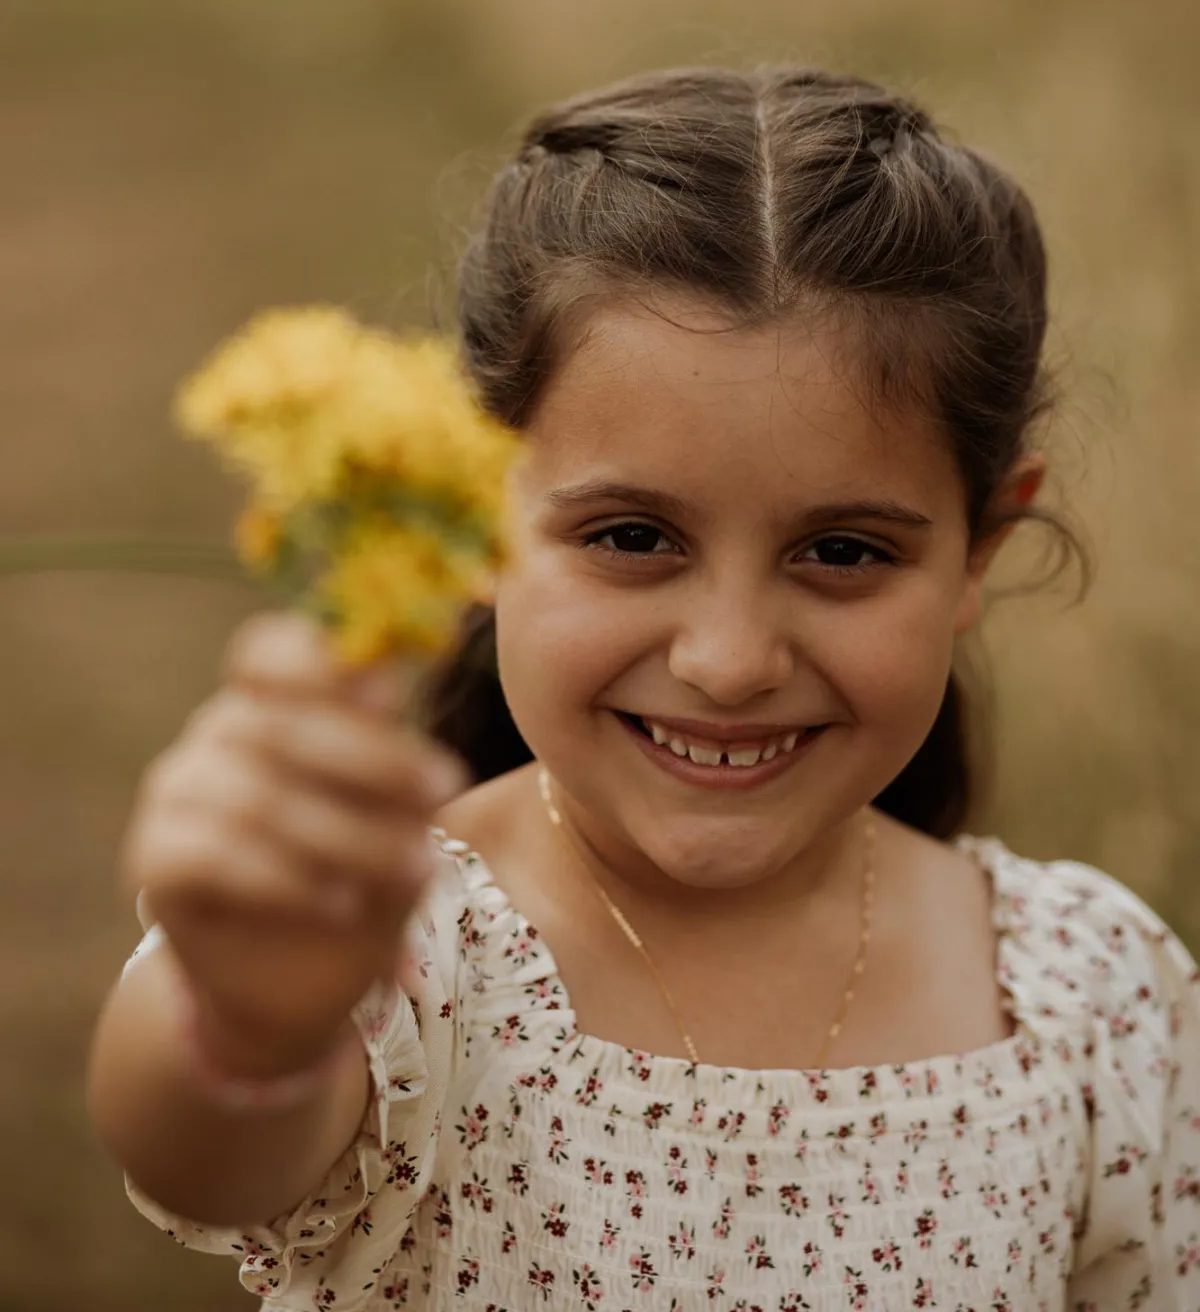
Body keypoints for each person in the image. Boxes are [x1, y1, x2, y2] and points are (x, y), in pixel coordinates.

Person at [88, 66, 1200, 1311]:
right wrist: (245, 1028)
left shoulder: (1086, 1002)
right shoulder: (401, 945)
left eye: (844, 552)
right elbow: (200, 1147)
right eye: (630, 537)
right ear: (475, 510)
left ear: (978, 552)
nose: (728, 659)